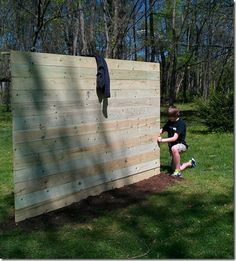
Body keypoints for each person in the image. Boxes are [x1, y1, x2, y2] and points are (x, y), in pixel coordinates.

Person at [157, 106, 196, 177]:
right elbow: (161, 130)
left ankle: (178, 172)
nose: (169, 118)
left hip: (181, 145)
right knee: (175, 168)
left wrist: (162, 140)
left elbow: (175, 138)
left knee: (174, 149)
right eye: (168, 116)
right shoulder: (170, 122)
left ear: (175, 115)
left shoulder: (181, 123)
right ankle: (190, 163)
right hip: (172, 148)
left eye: (170, 116)